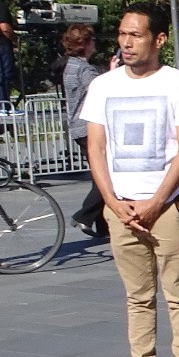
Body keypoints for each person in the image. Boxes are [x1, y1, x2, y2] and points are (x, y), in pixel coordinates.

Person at [83, 2, 179, 357]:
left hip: (165, 207)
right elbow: (96, 147)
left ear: (159, 39)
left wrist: (159, 201)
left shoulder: (178, 83)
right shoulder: (103, 85)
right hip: (120, 207)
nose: (126, 42)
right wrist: (112, 203)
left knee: (177, 290)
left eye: (136, 35)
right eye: (122, 34)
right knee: (137, 296)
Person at [61, 24, 105, 236]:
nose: (95, 43)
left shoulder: (70, 65)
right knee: (104, 175)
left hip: (77, 126)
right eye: (92, 40)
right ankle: (84, 216)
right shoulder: (85, 69)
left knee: (99, 171)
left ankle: (102, 225)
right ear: (85, 44)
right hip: (89, 126)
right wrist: (113, 73)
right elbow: (100, 89)